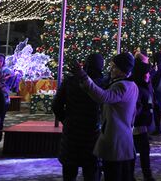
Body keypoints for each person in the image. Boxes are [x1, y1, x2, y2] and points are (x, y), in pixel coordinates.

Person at [71, 52, 139, 181]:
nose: (111, 69)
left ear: (122, 70)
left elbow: (103, 97)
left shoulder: (122, 85)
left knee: (113, 174)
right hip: (123, 138)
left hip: (116, 140)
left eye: (114, 67)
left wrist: (85, 78)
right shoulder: (130, 84)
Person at [52, 53, 104, 181]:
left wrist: (66, 119)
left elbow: (56, 105)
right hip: (93, 133)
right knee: (92, 173)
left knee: (69, 172)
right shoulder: (102, 83)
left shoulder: (70, 81)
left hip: (72, 133)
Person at [132, 58, 156, 181]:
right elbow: (137, 109)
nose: (149, 75)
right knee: (138, 152)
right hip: (138, 126)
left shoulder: (144, 86)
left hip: (143, 126)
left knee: (143, 152)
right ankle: (144, 175)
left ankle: (147, 175)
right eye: (147, 73)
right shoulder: (137, 88)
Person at [150, 51, 161, 135]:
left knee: (156, 112)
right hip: (160, 93)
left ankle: (157, 128)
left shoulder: (157, 68)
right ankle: (157, 128)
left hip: (156, 93)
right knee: (157, 112)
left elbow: (152, 79)